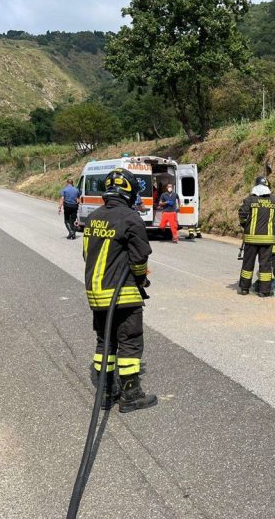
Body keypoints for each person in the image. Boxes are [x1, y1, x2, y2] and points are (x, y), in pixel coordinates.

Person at [83, 168, 157, 413]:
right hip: (122, 294)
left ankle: (106, 393)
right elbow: (139, 260)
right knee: (130, 343)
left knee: (105, 342)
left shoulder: (92, 218)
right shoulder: (131, 218)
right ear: (130, 191)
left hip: (96, 293)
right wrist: (141, 278)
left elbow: (87, 254)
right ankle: (131, 395)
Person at [238, 176, 275, 297]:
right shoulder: (274, 200)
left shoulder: (250, 200)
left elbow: (242, 214)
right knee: (265, 265)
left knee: (247, 264)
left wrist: (244, 224)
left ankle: (244, 288)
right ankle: (264, 291)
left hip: (251, 239)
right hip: (267, 240)